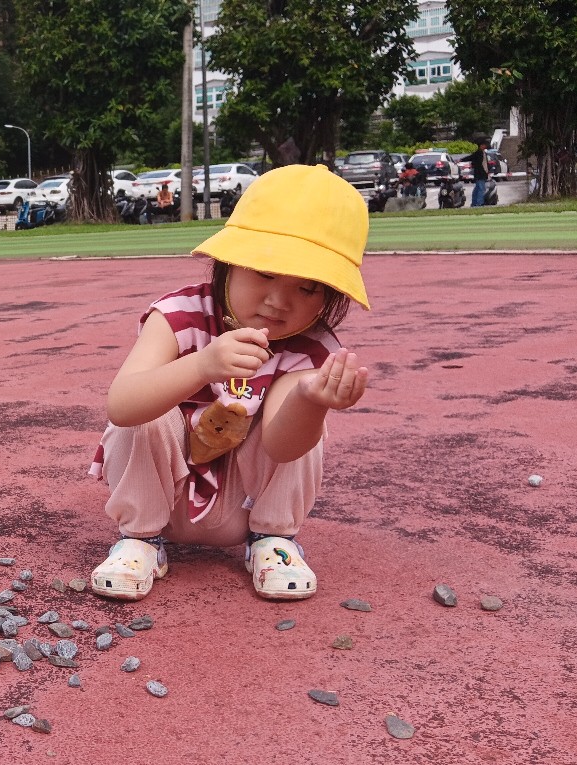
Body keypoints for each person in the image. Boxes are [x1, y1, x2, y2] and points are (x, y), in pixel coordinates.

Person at [86, 164, 370, 602]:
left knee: (307, 410)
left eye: (308, 288)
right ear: (229, 263)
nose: (279, 301)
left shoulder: (311, 348)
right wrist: (202, 366)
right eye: (265, 273)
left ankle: (274, 541)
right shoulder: (178, 314)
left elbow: (282, 447)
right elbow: (121, 406)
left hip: (244, 509)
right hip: (165, 498)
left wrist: (311, 401)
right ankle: (140, 541)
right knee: (148, 411)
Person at [461, 140, 490, 208]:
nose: (485, 146)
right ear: (481, 145)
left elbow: (485, 164)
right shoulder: (478, 153)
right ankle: (479, 203)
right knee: (481, 188)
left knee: (477, 188)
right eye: (484, 144)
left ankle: (474, 202)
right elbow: (471, 157)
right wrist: (461, 160)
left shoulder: (484, 153)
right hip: (480, 173)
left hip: (483, 173)